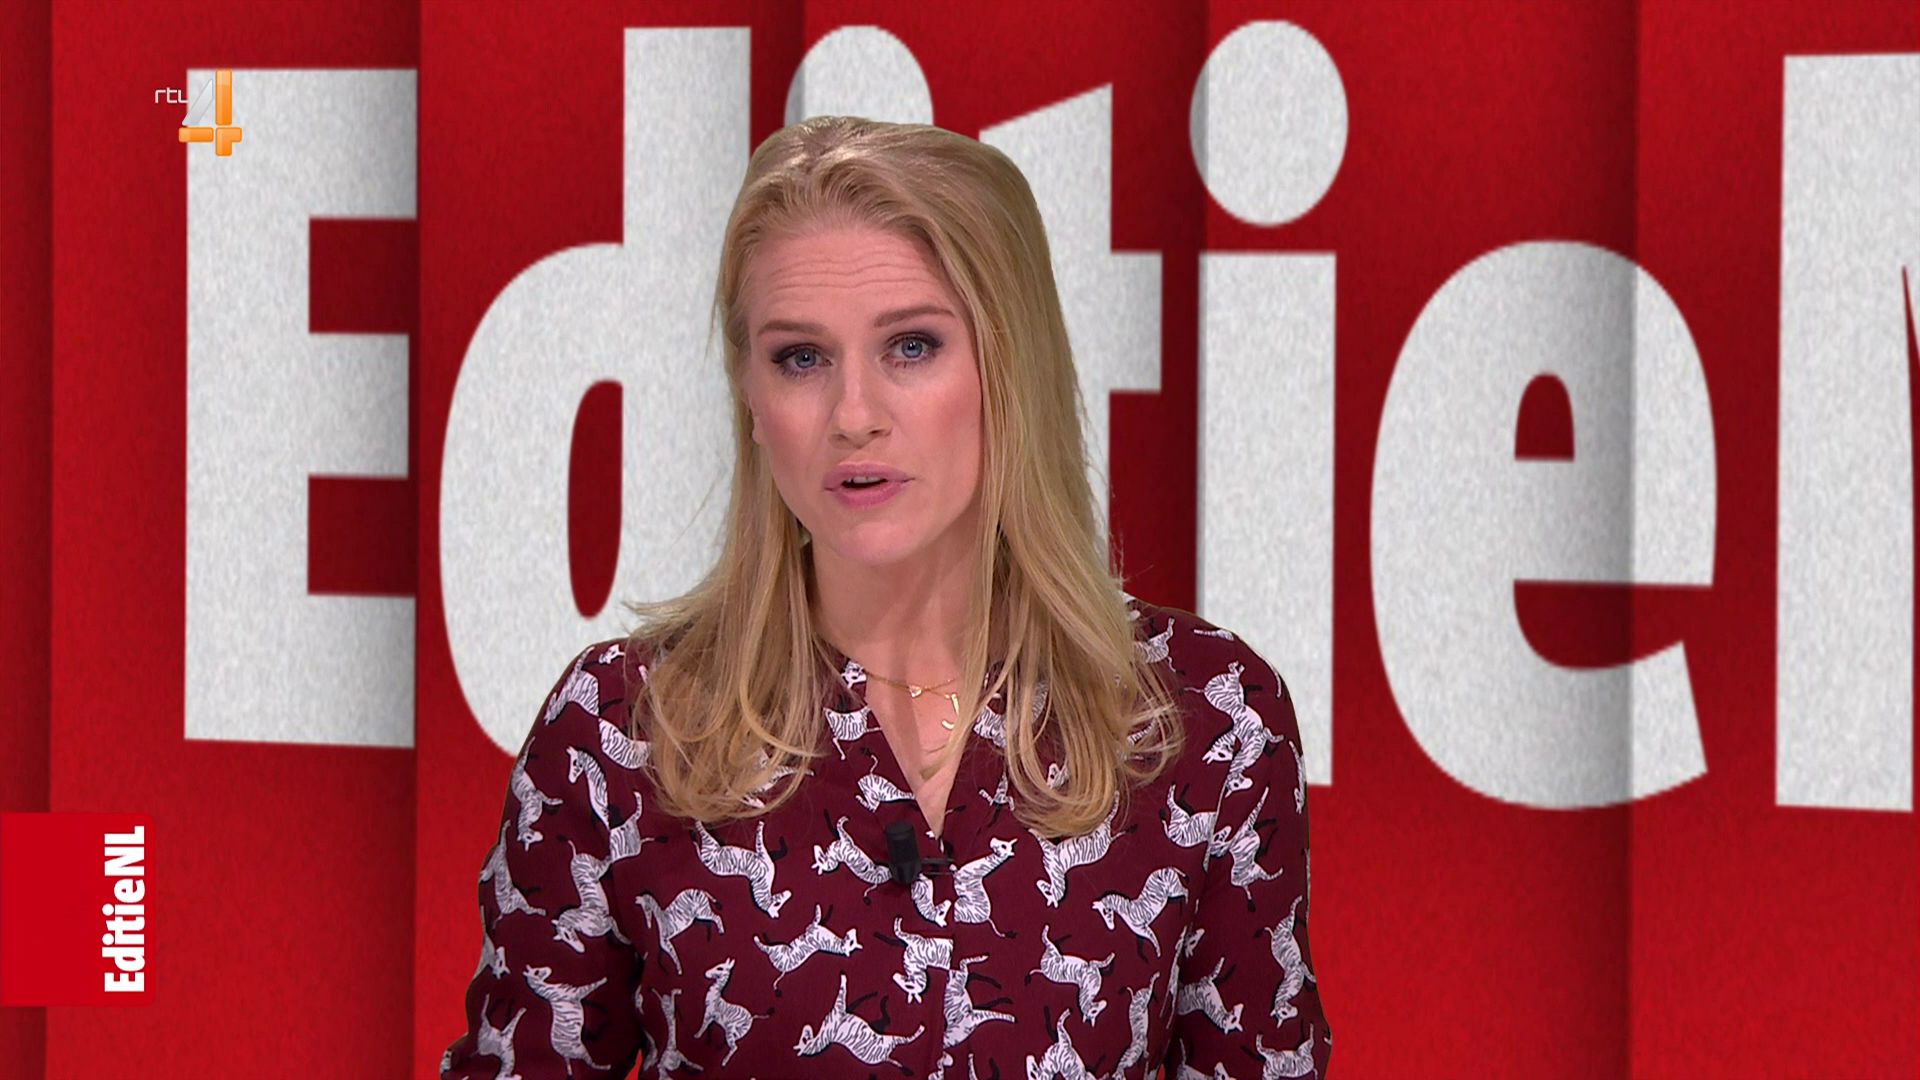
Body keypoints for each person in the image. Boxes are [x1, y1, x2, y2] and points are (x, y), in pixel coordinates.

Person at [439, 115, 1331, 1079]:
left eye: (911, 346)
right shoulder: (620, 734)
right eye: (801, 357)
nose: (854, 414)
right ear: (750, 395)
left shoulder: (1206, 723)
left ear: (1008, 368)